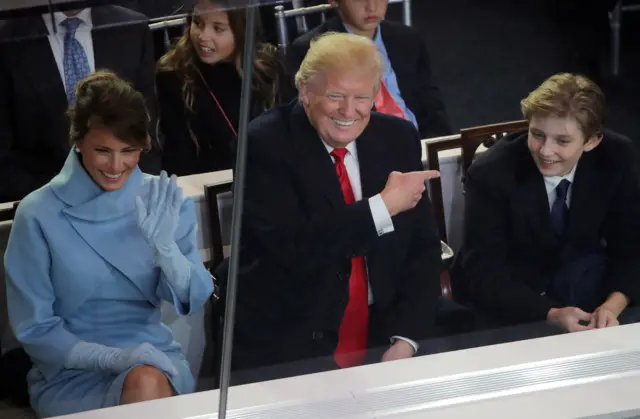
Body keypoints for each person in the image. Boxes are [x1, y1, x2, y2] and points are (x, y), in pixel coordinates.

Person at [232, 32, 443, 384]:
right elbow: (295, 246)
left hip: (385, 331)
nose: (349, 111)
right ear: (305, 92)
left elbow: (422, 250)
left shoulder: (398, 137)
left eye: (362, 97)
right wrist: (382, 207)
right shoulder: (263, 144)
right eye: (335, 96)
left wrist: (406, 339)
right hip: (294, 338)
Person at [4, 71, 213, 417]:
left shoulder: (162, 199)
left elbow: (194, 297)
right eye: (103, 150)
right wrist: (111, 358)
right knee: (146, 384)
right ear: (78, 141)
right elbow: (35, 327)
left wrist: (167, 251)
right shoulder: (37, 214)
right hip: (69, 372)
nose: (117, 166)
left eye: (128, 151)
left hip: (152, 355)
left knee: (147, 380)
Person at [453, 73, 640, 333]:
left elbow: (631, 244)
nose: (545, 150)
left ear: (592, 141)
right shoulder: (491, 173)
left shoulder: (617, 156)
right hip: (515, 304)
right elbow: (483, 271)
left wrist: (612, 305)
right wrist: (549, 313)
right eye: (537, 134)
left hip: (591, 289)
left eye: (562, 141)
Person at [0, 4, 159, 204]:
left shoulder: (132, 27)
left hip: (127, 201)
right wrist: (62, 196)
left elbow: (149, 129)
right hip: (47, 203)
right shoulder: (8, 40)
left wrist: (135, 193)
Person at [287, 0, 451, 139]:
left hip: (419, 142)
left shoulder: (408, 39)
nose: (371, 7)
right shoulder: (313, 50)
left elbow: (432, 105)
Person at [156, 0, 283, 176]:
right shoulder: (173, 75)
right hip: (205, 186)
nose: (203, 36)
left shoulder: (267, 68)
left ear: (241, 31)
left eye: (218, 28)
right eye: (198, 23)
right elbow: (178, 154)